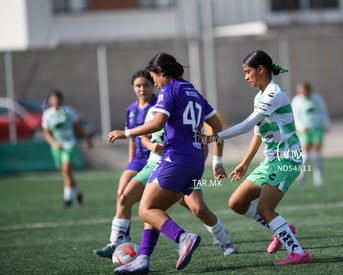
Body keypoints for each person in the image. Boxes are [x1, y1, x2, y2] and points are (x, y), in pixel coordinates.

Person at [107, 52, 227, 273]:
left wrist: (126, 133)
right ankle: (143, 259)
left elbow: (157, 123)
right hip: (195, 160)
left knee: (145, 208)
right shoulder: (193, 90)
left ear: (161, 71)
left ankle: (183, 238)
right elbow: (217, 125)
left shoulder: (170, 89)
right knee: (155, 209)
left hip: (175, 159)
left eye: (154, 78)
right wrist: (217, 159)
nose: (155, 83)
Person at [200, 50, 311, 266]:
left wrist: (213, 137)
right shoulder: (259, 96)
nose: (245, 77)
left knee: (264, 209)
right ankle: (282, 228)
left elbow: (248, 124)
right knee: (237, 202)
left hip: (287, 159)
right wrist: (244, 163)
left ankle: (298, 252)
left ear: (261, 69)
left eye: (247, 71)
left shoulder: (274, 94)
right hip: (271, 161)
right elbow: (258, 132)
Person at [93, 70, 157, 257]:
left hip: (157, 160)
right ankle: (118, 241)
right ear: (133, 88)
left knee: (193, 205)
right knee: (122, 194)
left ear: (152, 85)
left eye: (145, 85)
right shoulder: (131, 110)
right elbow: (131, 139)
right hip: (138, 160)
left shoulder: (159, 106)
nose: (142, 89)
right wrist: (130, 164)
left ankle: (220, 235)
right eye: (138, 85)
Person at [42, 90, 92, 207]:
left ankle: (67, 199)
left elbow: (78, 126)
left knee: (66, 170)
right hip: (56, 147)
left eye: (58, 99)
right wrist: (54, 143)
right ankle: (78, 193)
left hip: (69, 145)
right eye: (53, 99)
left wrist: (86, 139)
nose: (56, 101)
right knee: (66, 174)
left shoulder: (69, 111)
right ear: (49, 101)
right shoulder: (48, 114)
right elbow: (46, 133)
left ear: (62, 99)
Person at [291, 82, 330, 186]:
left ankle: (318, 178)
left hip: (317, 128)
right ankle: (301, 176)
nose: (301, 92)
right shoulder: (297, 100)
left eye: (303, 90)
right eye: (299, 90)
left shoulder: (317, 98)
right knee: (306, 155)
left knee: (318, 154)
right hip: (305, 130)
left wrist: (326, 123)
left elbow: (323, 111)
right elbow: (295, 115)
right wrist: (300, 126)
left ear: (308, 90)